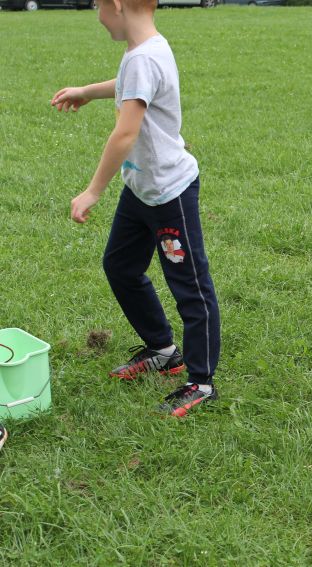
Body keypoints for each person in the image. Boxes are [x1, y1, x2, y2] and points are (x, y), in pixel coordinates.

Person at [50, 0, 221, 416]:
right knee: (121, 266)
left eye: (97, 5)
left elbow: (125, 133)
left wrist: (92, 191)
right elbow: (129, 84)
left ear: (117, 6)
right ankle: (163, 349)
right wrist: (87, 92)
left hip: (169, 193)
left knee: (191, 288)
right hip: (141, 190)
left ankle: (201, 382)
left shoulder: (145, 56)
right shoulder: (144, 49)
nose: (97, 15)